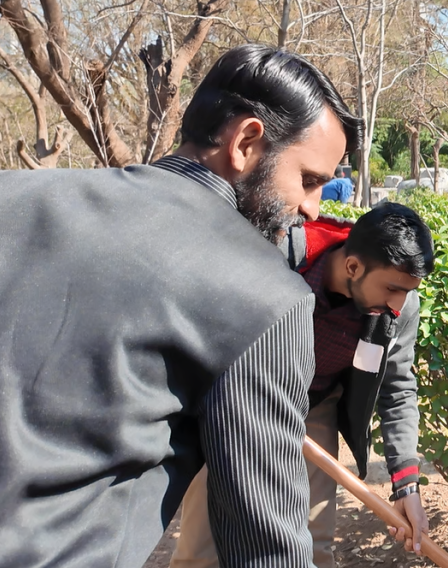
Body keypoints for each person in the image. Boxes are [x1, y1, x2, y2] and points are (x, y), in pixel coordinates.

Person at [0, 44, 362, 568]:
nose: (313, 207)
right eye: (310, 179)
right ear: (246, 141)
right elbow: (264, 544)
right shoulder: (268, 299)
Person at [171, 202, 434, 568]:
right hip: (238, 398)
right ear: (353, 267)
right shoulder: (277, 258)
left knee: (309, 543)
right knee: (203, 547)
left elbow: (398, 389)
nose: (398, 304)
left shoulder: (398, 308)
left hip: (315, 403)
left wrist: (406, 484)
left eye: (408, 291)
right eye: (392, 288)